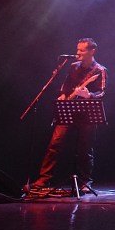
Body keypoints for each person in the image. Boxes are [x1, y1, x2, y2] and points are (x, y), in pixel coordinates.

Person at [28, 37, 108, 195]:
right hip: (69, 109)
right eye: (77, 49)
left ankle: (85, 181)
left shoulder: (100, 70)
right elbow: (66, 86)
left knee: (85, 148)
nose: (78, 53)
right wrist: (63, 95)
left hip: (87, 113)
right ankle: (44, 179)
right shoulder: (73, 66)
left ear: (92, 51)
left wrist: (89, 95)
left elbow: (102, 92)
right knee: (55, 143)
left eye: (82, 50)